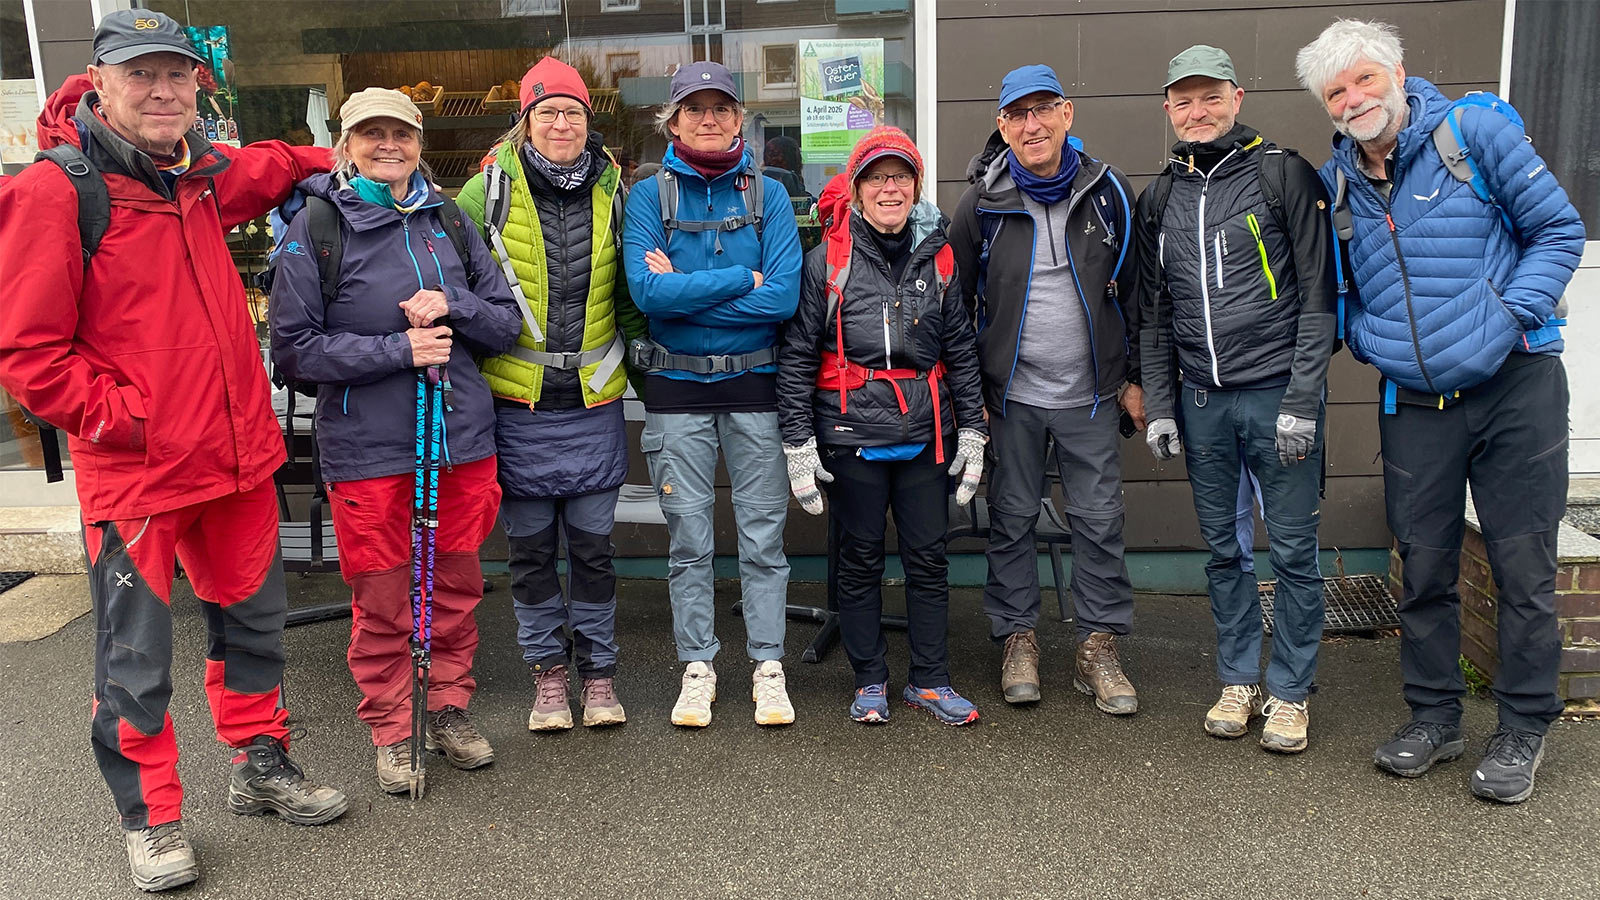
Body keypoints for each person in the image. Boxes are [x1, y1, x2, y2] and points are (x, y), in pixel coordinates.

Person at [0, 10, 346, 892]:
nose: (162, 91)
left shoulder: (200, 172)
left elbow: (270, 166)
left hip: (237, 464)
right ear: (102, 84)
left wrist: (341, 161)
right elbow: (29, 356)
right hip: (141, 475)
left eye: (177, 76)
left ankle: (261, 766)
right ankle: (150, 817)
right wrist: (129, 419)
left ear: (199, 86)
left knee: (253, 628)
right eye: (142, 75)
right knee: (135, 658)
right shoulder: (57, 190)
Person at [1296, 19, 1584, 802]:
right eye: (1337, 91)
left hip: (1514, 384)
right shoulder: (1338, 185)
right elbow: (1340, 297)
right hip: (1415, 401)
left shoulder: (1474, 133)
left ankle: (1523, 725)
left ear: (1397, 73)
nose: (1354, 99)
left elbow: (1558, 230)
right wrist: (1372, 341)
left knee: (1523, 569)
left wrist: (1506, 316)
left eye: (1364, 79)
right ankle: (1435, 716)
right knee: (1422, 568)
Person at [270, 88, 521, 794]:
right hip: (369, 447)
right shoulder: (316, 227)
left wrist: (455, 305)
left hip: (459, 441)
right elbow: (293, 352)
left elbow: (503, 325)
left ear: (418, 142)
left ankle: (447, 706)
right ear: (346, 144)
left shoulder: (451, 222)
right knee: (383, 592)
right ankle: (392, 725)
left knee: (455, 581)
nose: (388, 145)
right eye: (370, 133)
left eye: (400, 134)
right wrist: (396, 349)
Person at [1136, 45, 1338, 753]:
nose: (1197, 111)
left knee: (1291, 551)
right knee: (1224, 551)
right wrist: (1161, 404)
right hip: (1203, 403)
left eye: (1210, 97)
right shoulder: (1161, 195)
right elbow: (1154, 315)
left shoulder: (1282, 174)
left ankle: (1289, 692)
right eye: (1184, 99)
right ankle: (1237, 679)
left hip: (1276, 392)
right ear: (1168, 108)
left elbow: (1320, 299)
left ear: (1236, 97)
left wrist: (1303, 399)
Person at [456, 57, 648, 731]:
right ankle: (548, 677)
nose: (562, 123)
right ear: (525, 123)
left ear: (587, 122)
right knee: (534, 555)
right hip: (517, 408)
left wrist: (655, 373)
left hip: (593, 406)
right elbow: (454, 285)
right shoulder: (485, 195)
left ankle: (599, 676)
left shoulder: (613, 190)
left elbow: (629, 298)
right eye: (548, 112)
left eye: (572, 112)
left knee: (594, 553)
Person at [946, 64, 1143, 714]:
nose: (1031, 125)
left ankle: (1098, 649)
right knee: (1013, 520)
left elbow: (1138, 294)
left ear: (1066, 114)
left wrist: (1134, 379)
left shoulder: (1108, 191)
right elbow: (958, 306)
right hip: (1011, 398)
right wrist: (970, 391)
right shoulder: (982, 205)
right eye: (1017, 115)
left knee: (1098, 520)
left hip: (1089, 395)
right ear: (1003, 127)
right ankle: (1018, 640)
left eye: (1042, 110)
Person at [777, 127, 988, 725]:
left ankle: (930, 679)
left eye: (900, 176)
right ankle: (870, 678)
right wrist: (797, 443)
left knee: (928, 560)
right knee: (860, 559)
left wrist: (972, 431)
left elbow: (962, 353)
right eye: (876, 177)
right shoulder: (828, 262)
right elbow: (796, 357)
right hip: (849, 436)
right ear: (857, 189)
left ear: (915, 186)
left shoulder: (940, 258)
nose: (889, 187)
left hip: (926, 434)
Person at [622, 61, 804, 728]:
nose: (707, 118)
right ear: (672, 121)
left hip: (756, 388)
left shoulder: (771, 195)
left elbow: (782, 298)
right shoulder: (647, 197)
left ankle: (767, 666)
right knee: (690, 542)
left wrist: (694, 295)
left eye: (720, 107)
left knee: (763, 540)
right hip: (675, 394)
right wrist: (741, 280)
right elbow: (649, 298)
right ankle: (697, 666)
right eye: (693, 108)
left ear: (738, 117)